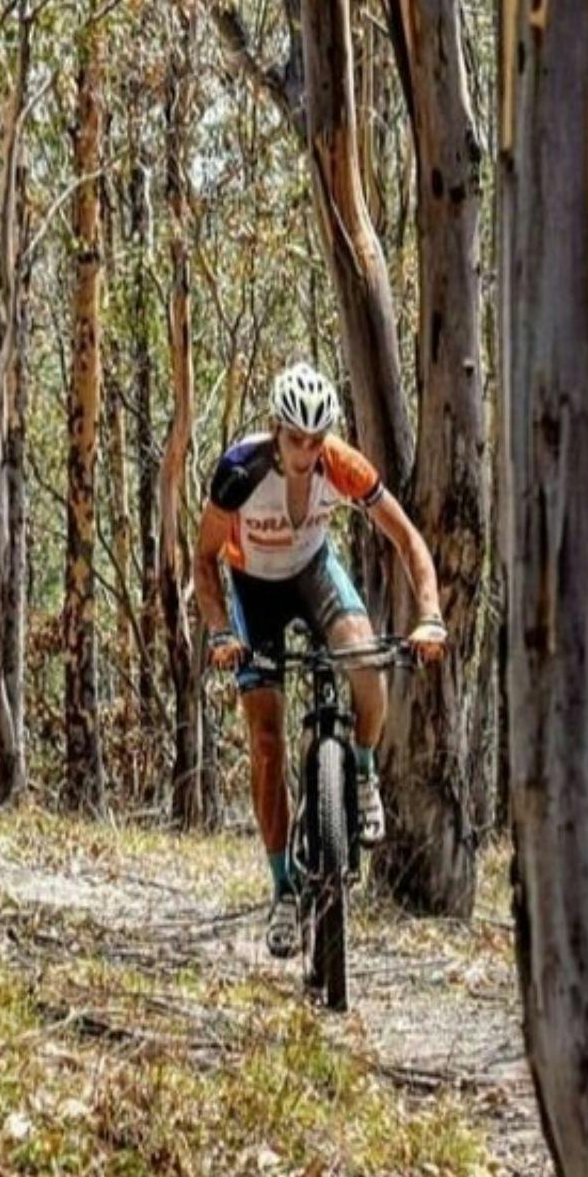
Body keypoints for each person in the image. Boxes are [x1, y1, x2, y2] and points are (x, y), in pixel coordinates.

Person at [192, 362, 447, 959]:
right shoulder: (239, 472)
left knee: (363, 659)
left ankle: (361, 774)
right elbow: (205, 561)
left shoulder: (342, 465)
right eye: (295, 439)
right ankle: (283, 889)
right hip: (252, 589)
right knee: (265, 738)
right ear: (276, 431)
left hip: (313, 573)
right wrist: (221, 632)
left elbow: (408, 539)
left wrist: (429, 614)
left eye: (315, 439)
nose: (306, 452)